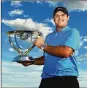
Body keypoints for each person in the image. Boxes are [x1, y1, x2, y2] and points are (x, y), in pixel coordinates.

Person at [21, 6, 80, 88]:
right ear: (53, 19)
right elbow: (46, 58)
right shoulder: (49, 36)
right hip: (46, 80)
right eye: (57, 15)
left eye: (63, 15)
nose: (60, 18)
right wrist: (32, 61)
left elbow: (65, 52)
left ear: (68, 17)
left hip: (66, 79)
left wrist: (42, 45)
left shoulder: (73, 32)